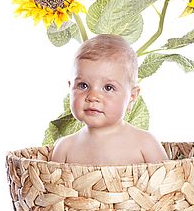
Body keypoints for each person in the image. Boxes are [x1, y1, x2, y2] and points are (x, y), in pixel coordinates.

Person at [51, 34, 169, 165]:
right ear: (70, 88)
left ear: (132, 96)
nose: (93, 97)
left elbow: (169, 181)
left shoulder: (145, 144)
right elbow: (52, 184)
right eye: (83, 85)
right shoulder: (64, 148)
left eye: (108, 87)